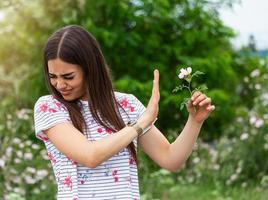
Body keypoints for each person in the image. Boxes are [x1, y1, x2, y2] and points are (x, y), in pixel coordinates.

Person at [33, 25, 215, 200]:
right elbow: (91, 156)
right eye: (52, 77)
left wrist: (194, 121)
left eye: (68, 76)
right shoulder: (50, 107)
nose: (59, 85)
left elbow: (171, 160)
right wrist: (140, 124)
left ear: (90, 68)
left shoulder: (126, 104)